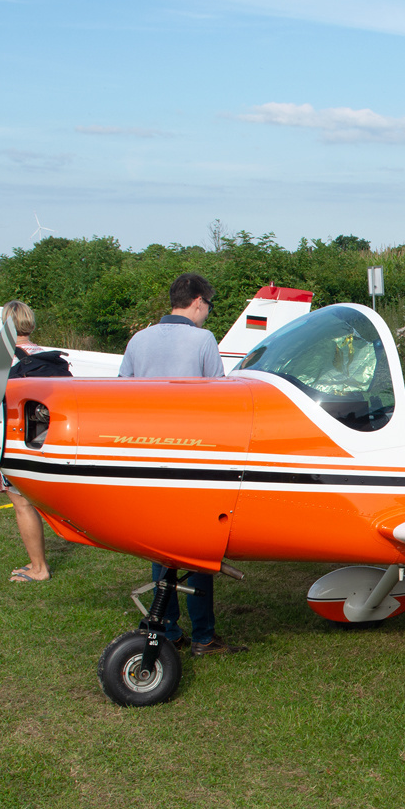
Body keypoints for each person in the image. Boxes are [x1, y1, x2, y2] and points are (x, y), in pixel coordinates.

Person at [118, 273, 246, 656]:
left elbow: (121, 392)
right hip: (193, 457)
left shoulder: (138, 340)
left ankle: (169, 626)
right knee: (197, 546)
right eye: (208, 305)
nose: (207, 313)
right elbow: (220, 400)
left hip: (146, 456)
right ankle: (204, 635)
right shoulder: (203, 340)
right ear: (197, 301)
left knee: (161, 545)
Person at [0, 301, 53, 584]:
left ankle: (38, 567)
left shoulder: (2, 359)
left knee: (22, 504)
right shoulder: (49, 356)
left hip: (17, 439)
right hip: (47, 439)